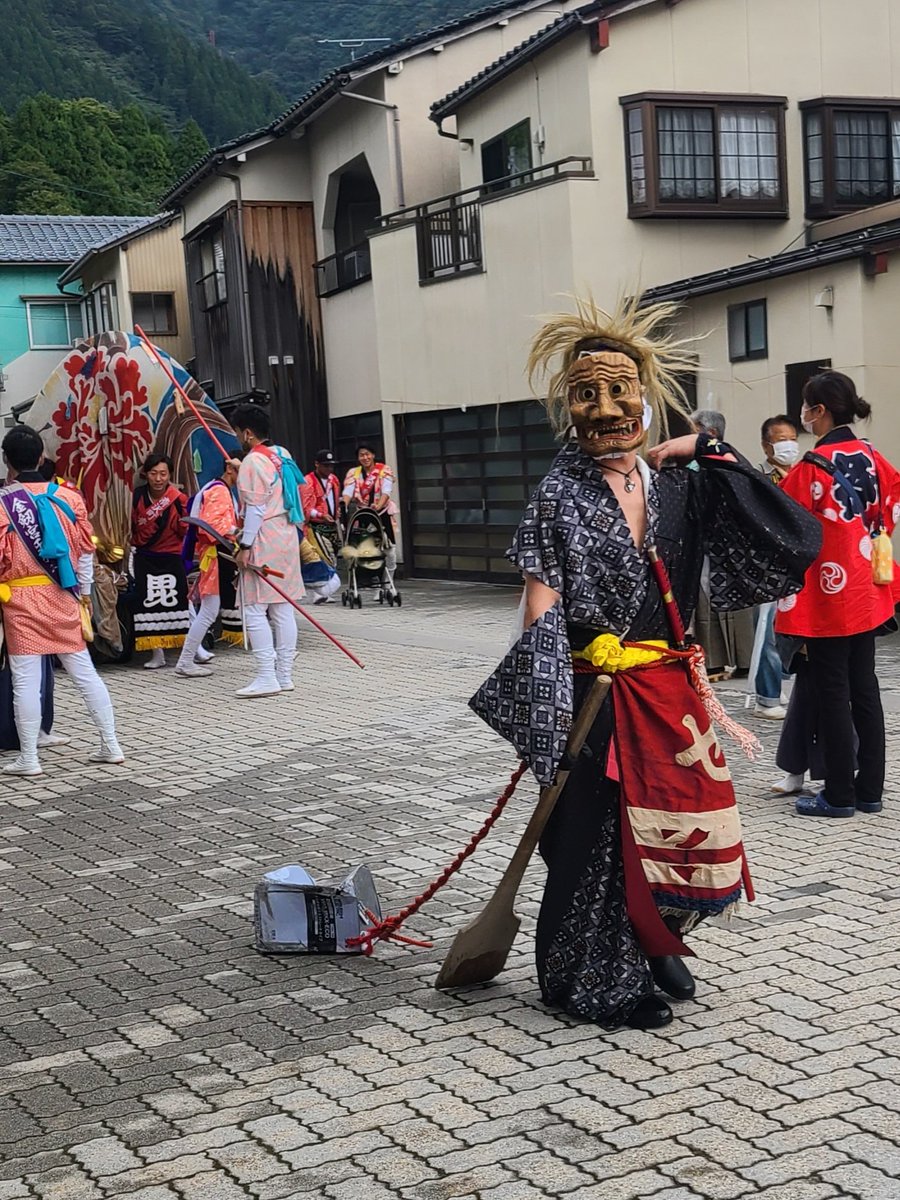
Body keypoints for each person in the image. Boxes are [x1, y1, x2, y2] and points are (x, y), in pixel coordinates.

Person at [469, 295, 821, 1030]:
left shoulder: (675, 485)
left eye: (619, 389)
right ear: (568, 404)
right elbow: (539, 599)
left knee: (689, 826)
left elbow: (790, 537)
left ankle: (659, 939)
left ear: (647, 395)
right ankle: (594, 980)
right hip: (595, 690)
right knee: (599, 838)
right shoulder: (558, 494)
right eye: (586, 392)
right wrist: (554, 706)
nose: (605, 407)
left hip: (668, 688)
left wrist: (710, 451)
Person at [776, 370, 900, 818]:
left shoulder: (810, 468)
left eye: (807, 407)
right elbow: (892, 500)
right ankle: (871, 791)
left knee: (832, 690)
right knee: (865, 688)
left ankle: (840, 795)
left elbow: (784, 522)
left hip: (829, 594)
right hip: (867, 588)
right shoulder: (871, 455)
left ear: (820, 411)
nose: (804, 416)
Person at [0, 425, 124, 775]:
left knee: (25, 679)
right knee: (85, 673)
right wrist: (83, 595)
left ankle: (29, 758)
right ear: (42, 457)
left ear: (7, 461)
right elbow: (85, 553)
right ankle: (111, 744)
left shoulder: (4, 504)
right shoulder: (69, 498)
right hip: (64, 593)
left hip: (20, 597)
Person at [230, 403, 305, 698]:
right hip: (286, 534)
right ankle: (284, 674)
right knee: (283, 607)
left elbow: (255, 509)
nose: (237, 437)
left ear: (247, 433)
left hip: (264, 537)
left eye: (238, 432)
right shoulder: (282, 454)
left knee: (254, 606)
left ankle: (266, 675)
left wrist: (244, 546)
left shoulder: (252, 463)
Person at [691, 411, 755, 680]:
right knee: (707, 602)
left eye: (693, 431)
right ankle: (717, 661)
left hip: (728, 542)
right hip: (713, 543)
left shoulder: (728, 461)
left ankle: (742, 660)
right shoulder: (701, 464)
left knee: (733, 602)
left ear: (710, 434)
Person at [747, 416, 802, 722]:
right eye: (782, 439)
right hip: (767, 564)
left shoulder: (803, 473)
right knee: (766, 631)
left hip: (796, 565)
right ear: (767, 444)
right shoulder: (757, 478)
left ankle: (777, 685)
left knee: (789, 629)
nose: (788, 445)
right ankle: (766, 697)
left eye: (792, 438)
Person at [175, 459, 241, 678]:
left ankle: (276, 655)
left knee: (211, 610)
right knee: (210, 610)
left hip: (218, 555)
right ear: (231, 469)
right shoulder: (219, 491)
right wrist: (238, 531)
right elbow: (211, 525)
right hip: (214, 555)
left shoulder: (220, 488)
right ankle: (185, 660)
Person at [131, 453, 189, 669]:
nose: (158, 478)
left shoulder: (178, 498)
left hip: (171, 557)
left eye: (163, 474)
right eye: (153, 473)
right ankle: (157, 653)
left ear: (170, 475)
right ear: (146, 474)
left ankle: (187, 649)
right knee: (149, 604)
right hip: (146, 557)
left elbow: (186, 529)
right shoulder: (136, 497)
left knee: (178, 603)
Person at [342, 444, 399, 597]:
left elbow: (386, 491)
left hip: (382, 513)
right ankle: (375, 587)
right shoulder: (354, 473)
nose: (365, 458)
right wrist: (344, 504)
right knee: (367, 551)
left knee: (389, 550)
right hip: (363, 516)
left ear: (373, 455)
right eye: (361, 455)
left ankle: (388, 584)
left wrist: (378, 505)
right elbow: (348, 491)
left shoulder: (383, 470)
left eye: (367, 454)